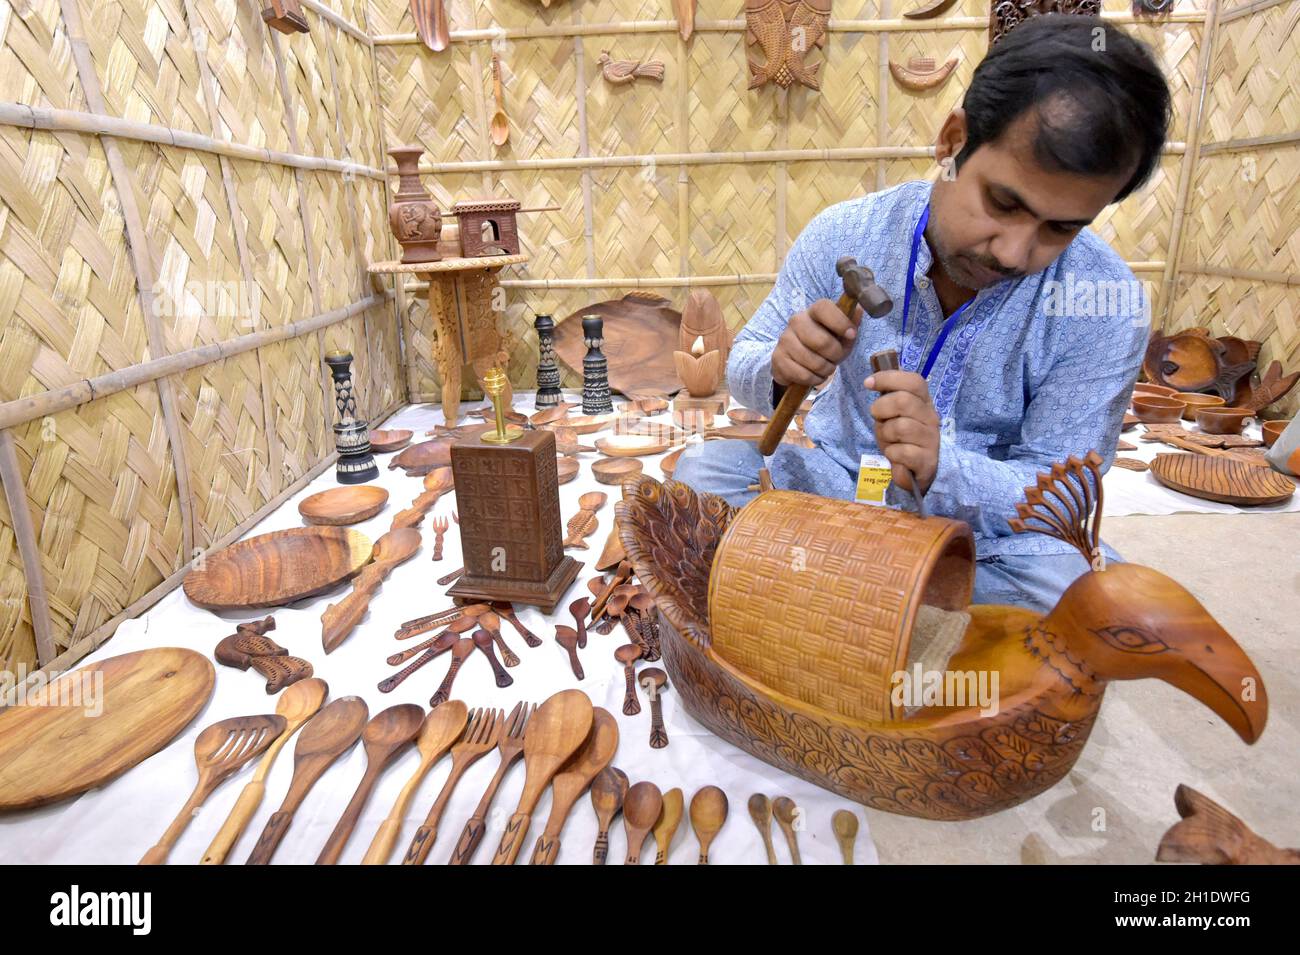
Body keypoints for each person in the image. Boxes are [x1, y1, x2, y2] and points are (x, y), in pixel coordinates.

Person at [673, 15, 1172, 613]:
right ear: (953, 141)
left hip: (980, 539)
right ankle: (897, 608)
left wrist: (946, 469)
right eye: (1004, 202)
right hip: (840, 486)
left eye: (1061, 227)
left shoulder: (1104, 300)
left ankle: (823, 594)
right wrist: (780, 365)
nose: (1015, 252)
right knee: (703, 473)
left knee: (1078, 592)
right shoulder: (846, 233)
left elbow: (1065, 498)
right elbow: (745, 372)